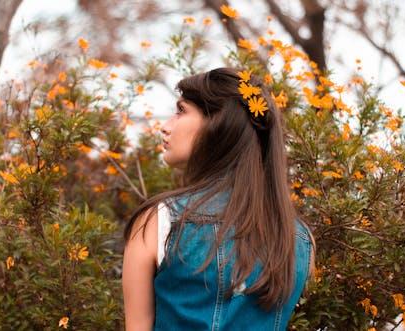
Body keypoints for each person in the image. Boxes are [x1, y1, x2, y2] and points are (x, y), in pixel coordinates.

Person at [122, 67, 314, 331]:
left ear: (219, 122)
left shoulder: (160, 221)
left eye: (181, 110)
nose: (165, 127)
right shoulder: (299, 239)